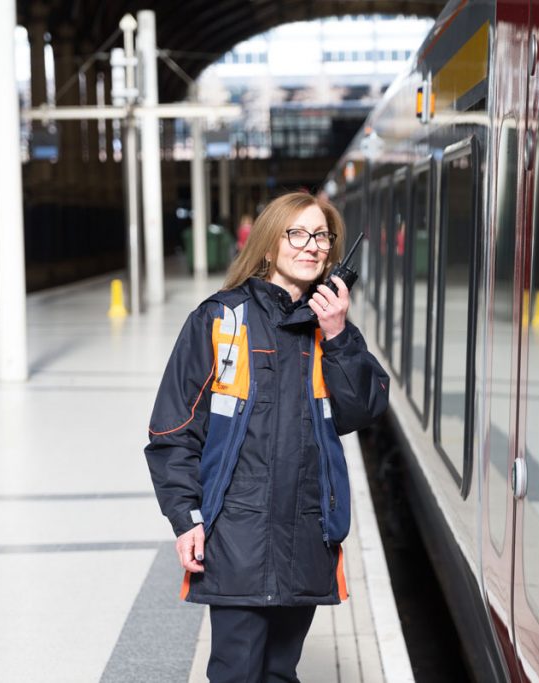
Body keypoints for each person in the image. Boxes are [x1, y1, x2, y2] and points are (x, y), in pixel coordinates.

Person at [145, 192, 389, 682]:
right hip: (237, 534)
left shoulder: (333, 328)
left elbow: (362, 409)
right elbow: (172, 431)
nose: (311, 246)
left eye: (321, 235)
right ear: (268, 245)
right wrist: (186, 518)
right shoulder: (219, 319)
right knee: (236, 672)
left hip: (306, 530)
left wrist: (338, 333)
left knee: (280, 671)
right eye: (296, 234)